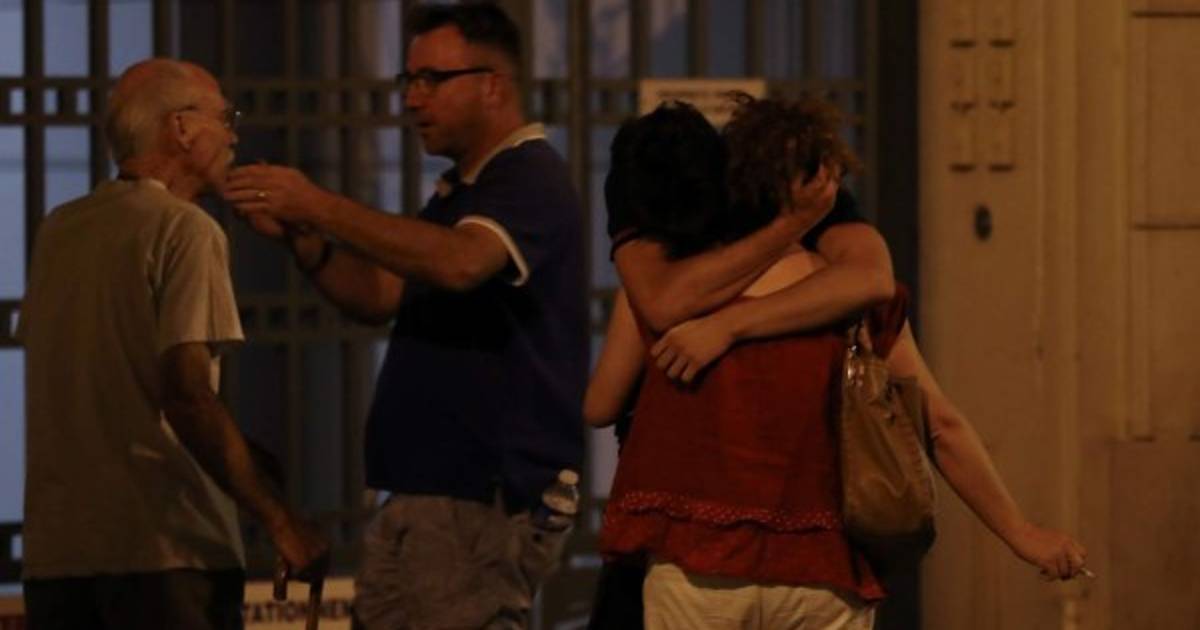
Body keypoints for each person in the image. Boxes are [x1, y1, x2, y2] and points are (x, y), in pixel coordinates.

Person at [587, 99, 1088, 630]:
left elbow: (599, 405)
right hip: (822, 573)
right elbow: (940, 425)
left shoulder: (668, 292)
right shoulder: (851, 298)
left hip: (699, 569)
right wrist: (1023, 535)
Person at [223, 4, 588, 629]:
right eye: (408, 80)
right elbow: (381, 296)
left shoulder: (528, 175)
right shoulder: (461, 191)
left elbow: (460, 263)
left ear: (493, 84)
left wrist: (317, 203)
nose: (414, 98)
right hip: (423, 491)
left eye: (432, 79)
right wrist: (303, 239)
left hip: (477, 494)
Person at [16, 58, 328, 630]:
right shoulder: (185, 229)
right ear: (182, 128)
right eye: (224, 118)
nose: (233, 136)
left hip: (59, 558)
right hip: (165, 556)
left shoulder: (60, 229)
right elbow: (186, 395)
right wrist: (281, 521)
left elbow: (106, 384)